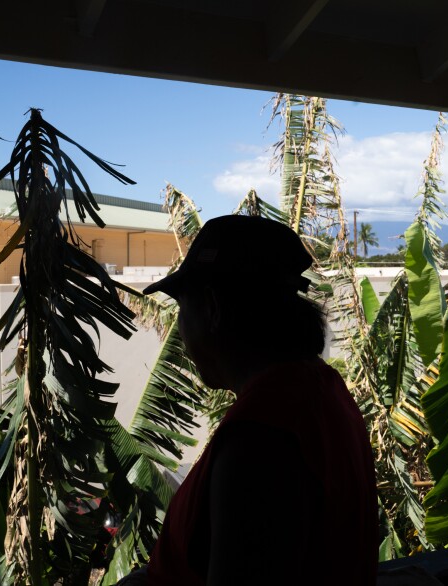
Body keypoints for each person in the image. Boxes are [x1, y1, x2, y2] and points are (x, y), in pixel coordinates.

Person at [136, 215, 378, 585]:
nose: (179, 330)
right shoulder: (321, 391)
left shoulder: (260, 437)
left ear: (213, 308)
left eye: (183, 309)